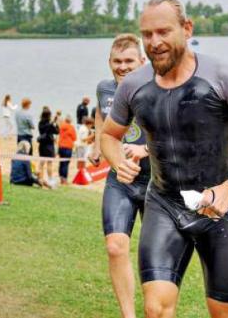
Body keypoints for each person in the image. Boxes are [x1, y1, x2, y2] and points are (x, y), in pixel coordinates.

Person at [102, 0, 228, 318]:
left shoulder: (223, 77)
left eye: (164, 32)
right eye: (147, 34)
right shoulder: (133, 85)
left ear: (187, 28)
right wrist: (117, 160)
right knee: (156, 309)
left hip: (219, 208)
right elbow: (109, 134)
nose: (154, 42)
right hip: (164, 204)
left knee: (224, 313)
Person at [94, 33, 151, 318]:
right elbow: (101, 117)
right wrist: (98, 145)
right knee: (115, 247)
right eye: (117, 61)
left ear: (142, 61)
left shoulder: (158, 88)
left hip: (157, 183)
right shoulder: (104, 89)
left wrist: (146, 149)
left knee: (154, 257)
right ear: (109, 62)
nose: (123, 66)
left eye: (129, 61)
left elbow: (180, 134)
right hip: (121, 180)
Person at [37, 108, 59, 187]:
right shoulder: (50, 124)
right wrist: (55, 123)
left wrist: (52, 122)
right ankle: (50, 179)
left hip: (42, 144)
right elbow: (57, 131)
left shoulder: (40, 123)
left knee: (41, 163)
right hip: (49, 145)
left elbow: (42, 130)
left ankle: (40, 179)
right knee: (49, 163)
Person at [57, 115, 76, 184]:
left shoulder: (62, 126)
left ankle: (61, 178)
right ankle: (64, 179)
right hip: (68, 146)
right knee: (66, 164)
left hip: (61, 146)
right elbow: (74, 138)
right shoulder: (71, 127)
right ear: (70, 121)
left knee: (61, 162)